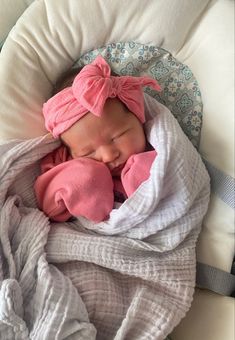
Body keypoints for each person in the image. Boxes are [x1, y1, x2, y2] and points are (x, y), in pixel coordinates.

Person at [34, 55, 161, 222]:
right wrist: (87, 176)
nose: (108, 156)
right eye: (88, 152)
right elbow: (49, 208)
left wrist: (143, 170)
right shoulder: (63, 162)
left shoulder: (160, 151)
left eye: (117, 136)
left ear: (138, 118)